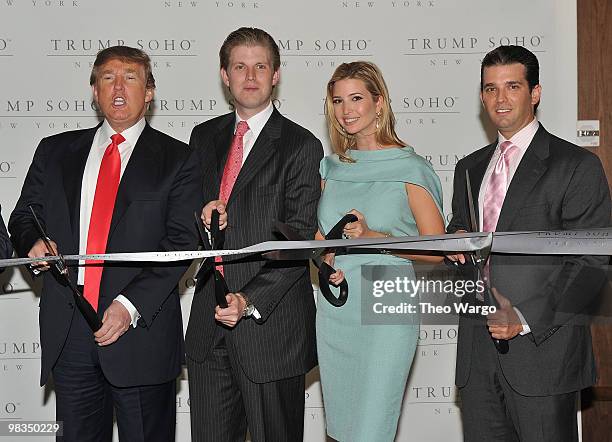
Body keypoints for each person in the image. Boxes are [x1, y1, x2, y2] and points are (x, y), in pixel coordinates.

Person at [9, 46, 202, 442]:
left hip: (139, 333)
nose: (118, 86)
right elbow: (24, 216)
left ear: (149, 92)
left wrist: (128, 306)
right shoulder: (54, 151)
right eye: (108, 77)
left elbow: (182, 242)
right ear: (93, 90)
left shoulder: (179, 159)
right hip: (70, 332)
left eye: (131, 77)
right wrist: (33, 243)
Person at [446, 45, 611, 441]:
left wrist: (521, 317)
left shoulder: (575, 165)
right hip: (476, 357)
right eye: (489, 89)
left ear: (535, 93)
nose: (499, 99)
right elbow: (464, 230)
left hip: (544, 354)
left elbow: (593, 264)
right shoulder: (468, 167)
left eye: (512, 86)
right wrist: (455, 241)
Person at [185, 27, 323, 442]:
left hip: (271, 332)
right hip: (209, 331)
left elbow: (297, 241)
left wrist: (248, 300)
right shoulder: (202, 137)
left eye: (260, 66)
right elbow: (187, 226)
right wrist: (200, 219)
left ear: (276, 74)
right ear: (224, 76)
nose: (250, 75)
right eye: (239, 66)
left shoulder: (301, 145)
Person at [317, 61, 445, 442]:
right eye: (338, 101)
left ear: (380, 102)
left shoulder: (410, 167)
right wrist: (325, 261)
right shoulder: (331, 168)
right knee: (342, 429)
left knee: (372, 429)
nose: (346, 109)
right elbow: (323, 240)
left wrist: (374, 236)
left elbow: (436, 251)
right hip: (337, 308)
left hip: (387, 301)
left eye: (356, 98)